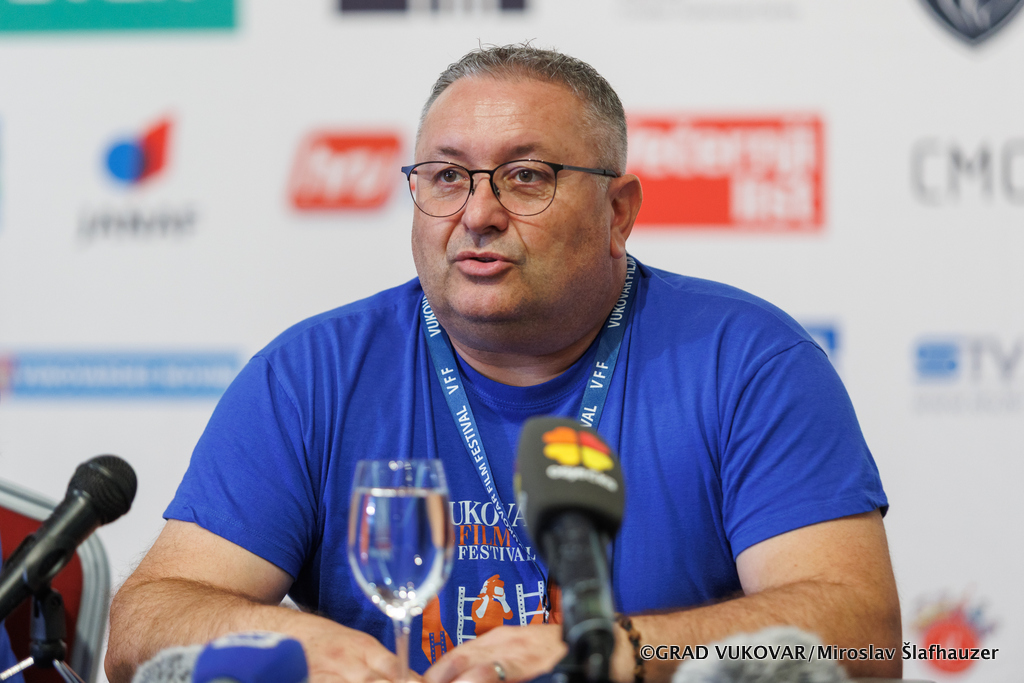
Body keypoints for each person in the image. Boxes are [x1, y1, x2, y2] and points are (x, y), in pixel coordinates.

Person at [105, 44, 901, 683]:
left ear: (618, 211)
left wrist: (617, 646)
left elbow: (863, 635)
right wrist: (294, 642)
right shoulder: (312, 373)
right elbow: (143, 627)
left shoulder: (749, 361)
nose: (478, 213)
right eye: (447, 177)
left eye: (526, 177)